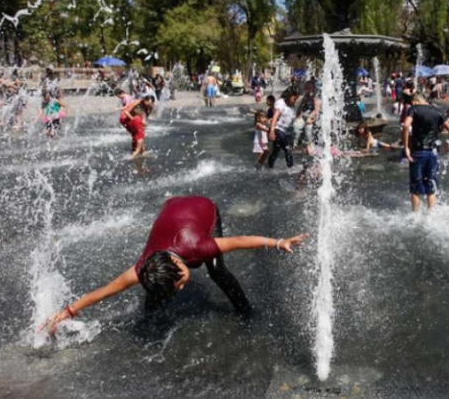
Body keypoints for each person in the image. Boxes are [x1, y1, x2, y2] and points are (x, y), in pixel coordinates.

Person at [39, 196, 307, 335]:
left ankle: (246, 311)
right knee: (153, 288)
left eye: (178, 282)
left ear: (179, 267)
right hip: (172, 207)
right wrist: (66, 312)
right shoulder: (143, 267)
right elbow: (106, 291)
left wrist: (278, 242)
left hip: (203, 207)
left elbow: (239, 241)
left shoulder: (197, 247)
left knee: (217, 270)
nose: (181, 287)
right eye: (179, 286)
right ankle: (151, 319)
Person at [402, 94, 446, 212]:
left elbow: (406, 125)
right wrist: (448, 144)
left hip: (418, 152)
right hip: (433, 152)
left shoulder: (414, 109)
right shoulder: (438, 111)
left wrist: (406, 147)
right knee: (431, 185)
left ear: (415, 102)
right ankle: (431, 214)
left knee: (416, 186)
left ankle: (415, 215)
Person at [268, 89, 299, 169]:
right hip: (278, 130)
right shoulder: (281, 103)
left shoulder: (290, 105)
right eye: (294, 99)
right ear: (289, 96)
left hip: (285, 132)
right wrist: (272, 131)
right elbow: (275, 117)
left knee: (276, 150)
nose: (294, 101)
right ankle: (291, 169)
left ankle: (269, 167)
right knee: (287, 148)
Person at [296, 80, 321, 156]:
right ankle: (301, 144)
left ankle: (311, 146)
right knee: (297, 127)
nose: (307, 90)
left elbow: (317, 110)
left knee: (308, 129)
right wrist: (298, 116)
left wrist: (310, 119)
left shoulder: (316, 97)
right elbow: (300, 107)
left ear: (313, 88)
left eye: (308, 88)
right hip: (306, 117)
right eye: (306, 88)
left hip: (314, 119)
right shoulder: (306, 96)